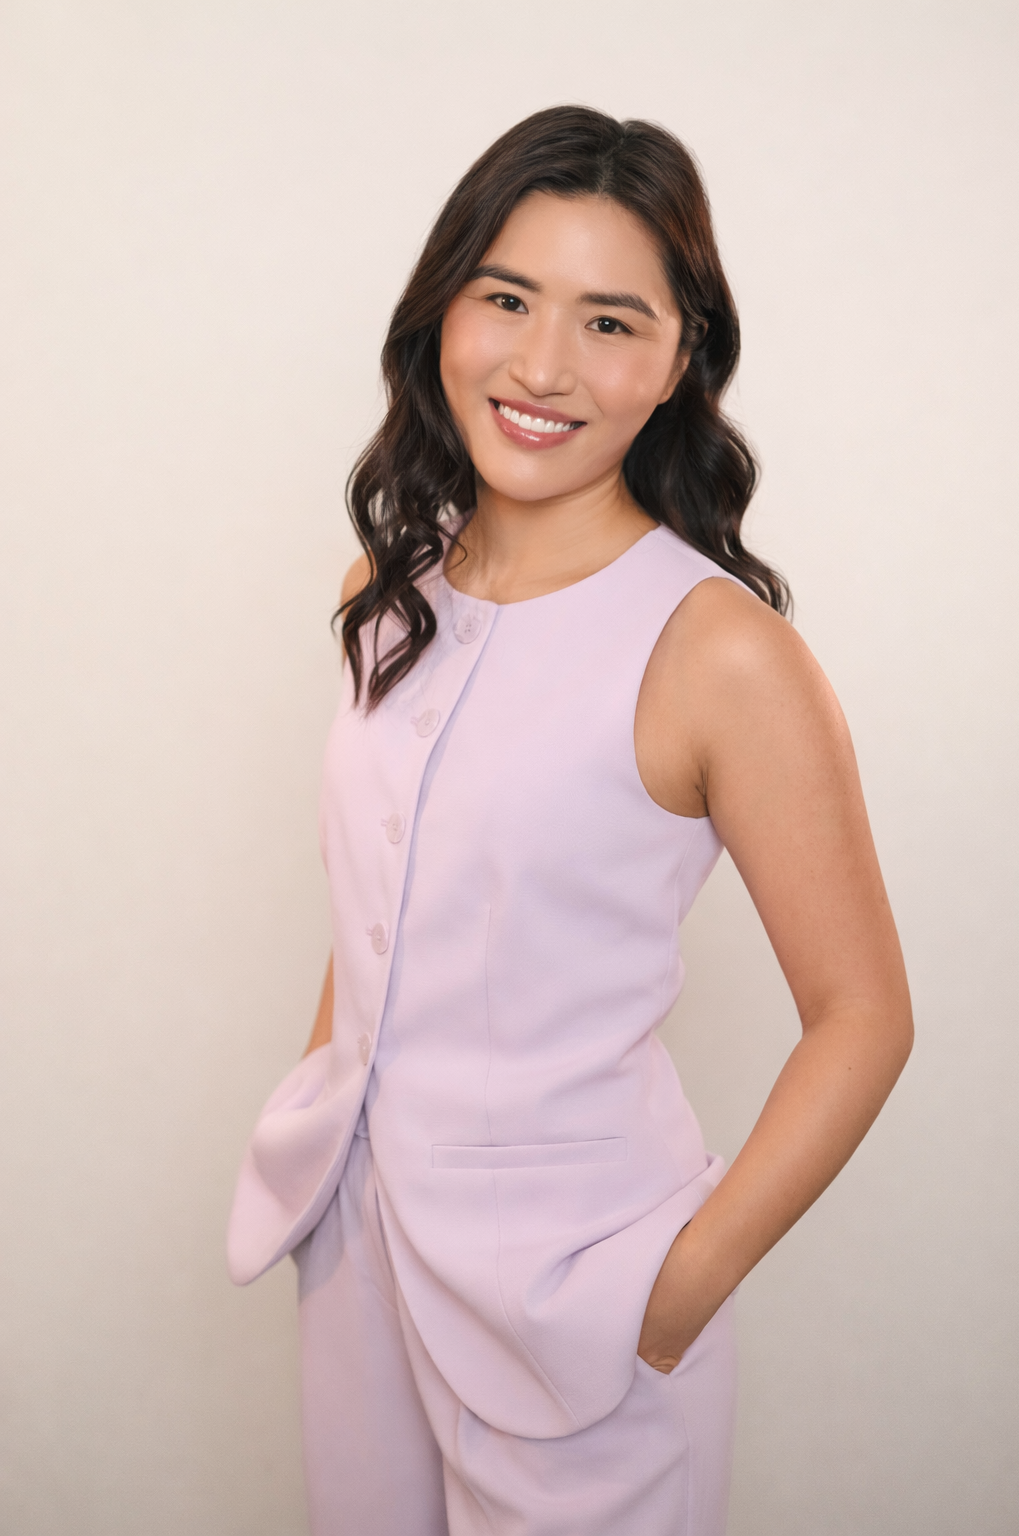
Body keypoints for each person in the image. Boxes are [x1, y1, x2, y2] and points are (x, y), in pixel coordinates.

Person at [227, 106, 913, 1536]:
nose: (543, 366)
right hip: (361, 1254)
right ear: (443, 314)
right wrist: (322, 1105)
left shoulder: (723, 654)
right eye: (508, 298)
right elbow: (379, 893)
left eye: (611, 321)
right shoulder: (385, 585)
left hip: (581, 1293)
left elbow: (864, 1015)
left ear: (680, 362)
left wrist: (675, 1290)